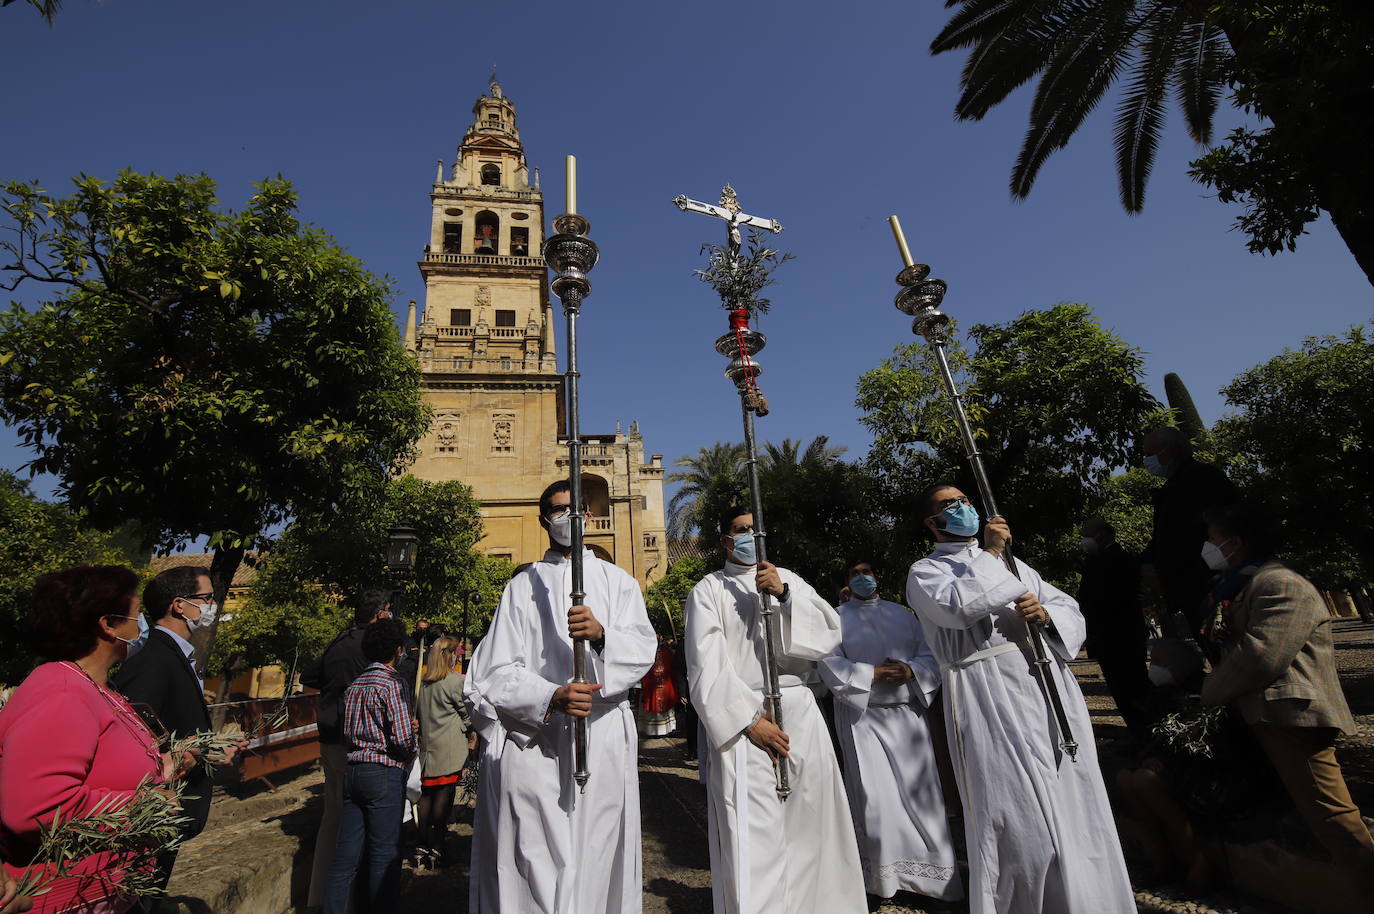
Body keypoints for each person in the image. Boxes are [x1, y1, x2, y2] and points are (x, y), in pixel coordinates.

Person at [906, 484, 1134, 914]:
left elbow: (1066, 608)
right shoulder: (925, 572)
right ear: (931, 523)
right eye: (948, 505)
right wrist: (991, 556)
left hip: (1043, 685)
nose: (962, 509)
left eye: (966, 501)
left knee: (1074, 800)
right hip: (985, 690)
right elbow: (958, 608)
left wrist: (1046, 617)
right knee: (1014, 812)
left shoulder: (1015, 564)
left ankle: (1090, 900)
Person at [463, 479, 657, 914]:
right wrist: (551, 694)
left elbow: (643, 648)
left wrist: (603, 637)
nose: (568, 516)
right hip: (538, 739)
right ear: (543, 521)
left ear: (589, 516)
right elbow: (495, 670)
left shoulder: (619, 583)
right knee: (535, 854)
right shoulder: (521, 586)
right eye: (557, 509)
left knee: (597, 848)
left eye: (576, 508)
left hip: (602, 731)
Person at [685, 505, 867, 914]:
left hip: (800, 709)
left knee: (813, 825)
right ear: (725, 541)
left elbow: (826, 639)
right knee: (755, 831)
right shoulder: (709, 590)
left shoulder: (789, 580)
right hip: (748, 721)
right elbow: (704, 664)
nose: (749, 536)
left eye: (755, 529)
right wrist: (749, 721)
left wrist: (785, 596)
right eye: (740, 530)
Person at [1199, 504, 1374, 899]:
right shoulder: (1240, 584)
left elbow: (1262, 655)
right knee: (1313, 815)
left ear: (1235, 543)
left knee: (1332, 815)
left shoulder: (1281, 583)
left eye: (1211, 541)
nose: (1207, 548)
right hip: (1265, 716)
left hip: (1293, 715)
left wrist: (1209, 692)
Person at [0, 566, 188, 913]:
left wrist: (165, 767)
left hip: (109, 893)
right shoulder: (63, 691)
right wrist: (145, 807)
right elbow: (36, 810)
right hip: (65, 900)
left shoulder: (98, 689)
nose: (142, 625)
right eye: (137, 615)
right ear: (108, 625)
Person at [819, 559, 961, 903]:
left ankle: (933, 880)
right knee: (874, 798)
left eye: (867, 572)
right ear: (847, 582)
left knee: (921, 797)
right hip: (862, 717)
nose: (863, 578)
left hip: (907, 716)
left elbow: (931, 654)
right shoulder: (834, 619)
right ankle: (884, 881)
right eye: (855, 574)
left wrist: (912, 671)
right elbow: (828, 661)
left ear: (876, 576)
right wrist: (871, 674)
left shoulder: (904, 614)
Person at [112, 565, 244, 908]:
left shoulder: (174, 655)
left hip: (169, 813)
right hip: (156, 812)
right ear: (179, 605)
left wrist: (211, 748)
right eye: (207, 598)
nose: (214, 606)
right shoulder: (155, 658)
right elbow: (133, 728)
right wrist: (183, 757)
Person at [300, 587, 393, 911]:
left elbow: (309, 674)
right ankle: (350, 899)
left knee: (332, 818)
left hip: (328, 736)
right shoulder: (370, 647)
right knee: (359, 826)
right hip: (356, 743)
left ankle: (318, 897)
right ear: (380, 613)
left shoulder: (339, 641)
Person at [324, 619, 416, 914]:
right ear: (398, 650)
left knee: (345, 855)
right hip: (383, 771)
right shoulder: (393, 683)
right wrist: (410, 743)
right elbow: (402, 740)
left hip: (354, 768)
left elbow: (348, 730)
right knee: (383, 854)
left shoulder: (355, 685)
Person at [1139, 427, 1236, 639]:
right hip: (1187, 589)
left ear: (1171, 450)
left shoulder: (1203, 479)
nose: (1147, 460)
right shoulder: (1172, 488)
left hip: (1208, 586)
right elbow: (1164, 536)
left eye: (1150, 454)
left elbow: (1193, 535)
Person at [1076, 518, 1150, 737]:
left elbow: (1103, 598)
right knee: (1120, 687)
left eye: (1085, 536)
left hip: (1119, 634)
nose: (1084, 541)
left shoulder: (1116, 559)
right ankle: (1138, 732)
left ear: (1100, 535)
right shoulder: (1101, 559)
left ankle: (1145, 734)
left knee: (1131, 686)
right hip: (1111, 634)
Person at [415, 635, 474, 868]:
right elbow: (466, 713)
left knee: (426, 797)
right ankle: (438, 846)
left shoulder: (425, 682)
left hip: (429, 747)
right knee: (444, 797)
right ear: (448, 655)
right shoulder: (453, 682)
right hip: (448, 747)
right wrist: (472, 731)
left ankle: (421, 844)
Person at [637, 635, 678, 737]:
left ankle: (665, 731)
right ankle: (651, 731)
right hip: (651, 686)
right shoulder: (646, 652)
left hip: (664, 685)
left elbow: (673, 667)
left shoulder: (667, 652)